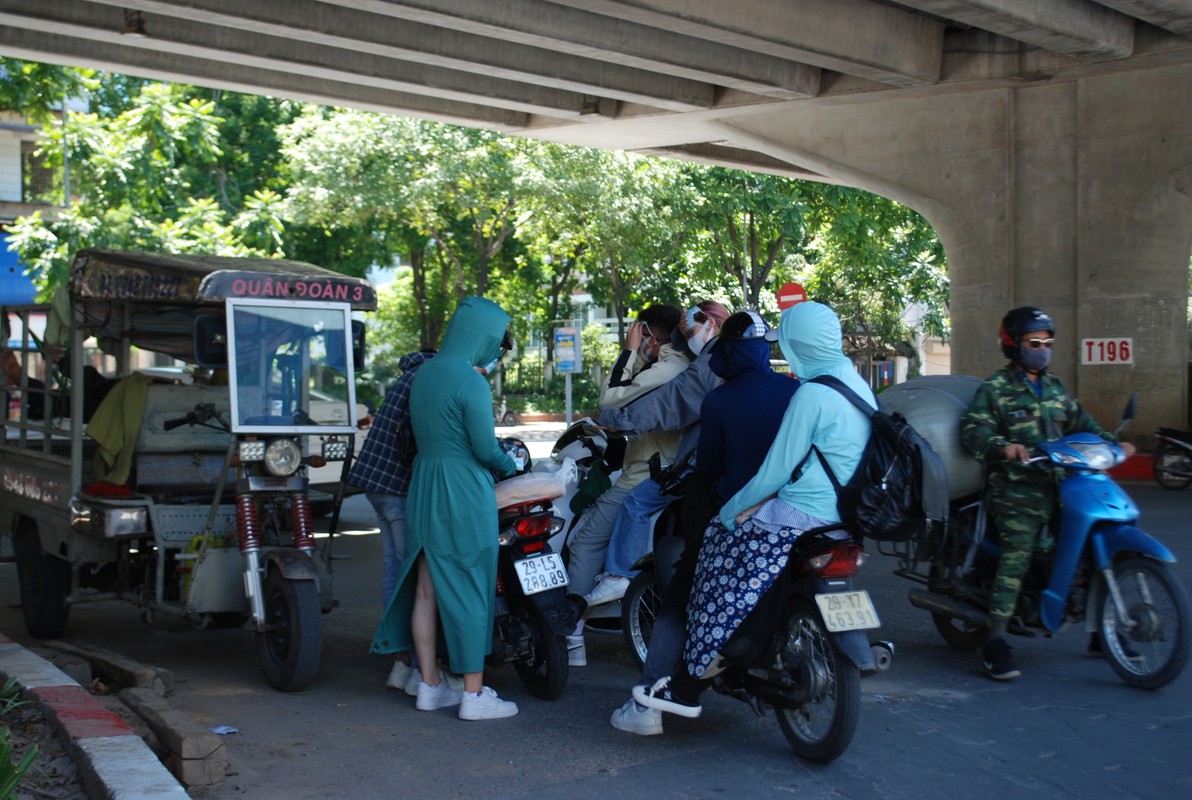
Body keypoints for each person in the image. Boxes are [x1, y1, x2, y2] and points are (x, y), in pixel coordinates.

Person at [634, 301, 874, 720]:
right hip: (843, 516)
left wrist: (731, 513)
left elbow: (774, 472)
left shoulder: (811, 394)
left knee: (712, 570)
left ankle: (691, 684)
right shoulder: (855, 383)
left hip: (799, 515)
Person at [610, 310, 799, 736]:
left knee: (678, 600)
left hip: (729, 517)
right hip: (796, 518)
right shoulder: (797, 391)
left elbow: (709, 466)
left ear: (728, 350)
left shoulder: (721, 399)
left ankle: (649, 702)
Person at [960, 306, 1134, 681]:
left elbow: (1084, 425)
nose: (1043, 349)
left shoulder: (1055, 389)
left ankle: (1101, 633)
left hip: (1062, 486)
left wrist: (1116, 444)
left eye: (1047, 342)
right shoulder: (996, 389)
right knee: (1017, 556)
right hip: (1016, 492)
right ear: (1013, 345)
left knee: (1091, 548)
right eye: (1033, 342)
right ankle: (995, 642)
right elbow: (973, 431)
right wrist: (1003, 446)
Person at [370, 297, 520, 721]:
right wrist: (509, 467)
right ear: (485, 338)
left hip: (424, 484)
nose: (497, 350)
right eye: (498, 341)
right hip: (461, 489)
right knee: (472, 588)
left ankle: (430, 686)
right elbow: (485, 448)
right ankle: (474, 695)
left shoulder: (425, 373)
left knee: (425, 590)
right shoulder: (471, 381)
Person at [564, 304, 687, 666]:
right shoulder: (682, 366)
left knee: (584, 540)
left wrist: (629, 350)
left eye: (639, 332)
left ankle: (572, 634)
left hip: (645, 477)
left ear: (649, 333)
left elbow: (611, 398)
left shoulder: (667, 368)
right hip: (668, 473)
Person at [586, 301, 729, 607]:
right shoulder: (728, 359)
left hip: (677, 469)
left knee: (598, 531)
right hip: (734, 461)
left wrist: (614, 419)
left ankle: (612, 583)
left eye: (692, 326)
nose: (689, 332)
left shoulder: (700, 368)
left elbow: (657, 407)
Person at [348, 348, 436, 696]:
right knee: (416, 578)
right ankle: (417, 665)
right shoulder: (428, 380)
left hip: (375, 484)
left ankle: (399, 660)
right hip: (399, 486)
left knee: (394, 572)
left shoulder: (407, 375)